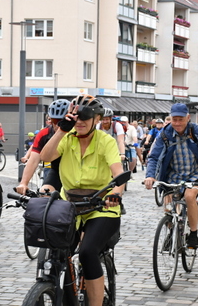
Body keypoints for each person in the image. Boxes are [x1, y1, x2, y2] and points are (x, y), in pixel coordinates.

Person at [41, 94, 125, 306]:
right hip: (69, 205)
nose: (79, 123)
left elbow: (118, 174)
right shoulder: (66, 138)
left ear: (97, 120)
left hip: (101, 206)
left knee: (88, 252)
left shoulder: (106, 141)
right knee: (58, 252)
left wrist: (116, 193)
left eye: (84, 119)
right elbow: (46, 156)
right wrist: (61, 129)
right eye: (75, 118)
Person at [144, 103, 198, 249]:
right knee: (169, 205)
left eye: (181, 119)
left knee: (190, 197)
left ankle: (193, 234)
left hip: (195, 173)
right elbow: (153, 157)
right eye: (174, 119)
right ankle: (173, 232)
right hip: (173, 174)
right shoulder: (165, 134)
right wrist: (150, 175)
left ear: (188, 118)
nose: (177, 123)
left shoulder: (195, 130)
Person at [15, 99, 70, 195]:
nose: (57, 125)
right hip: (56, 171)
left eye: (61, 121)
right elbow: (33, 159)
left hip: (76, 173)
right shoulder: (44, 134)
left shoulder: (76, 133)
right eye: (54, 120)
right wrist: (24, 183)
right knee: (44, 194)